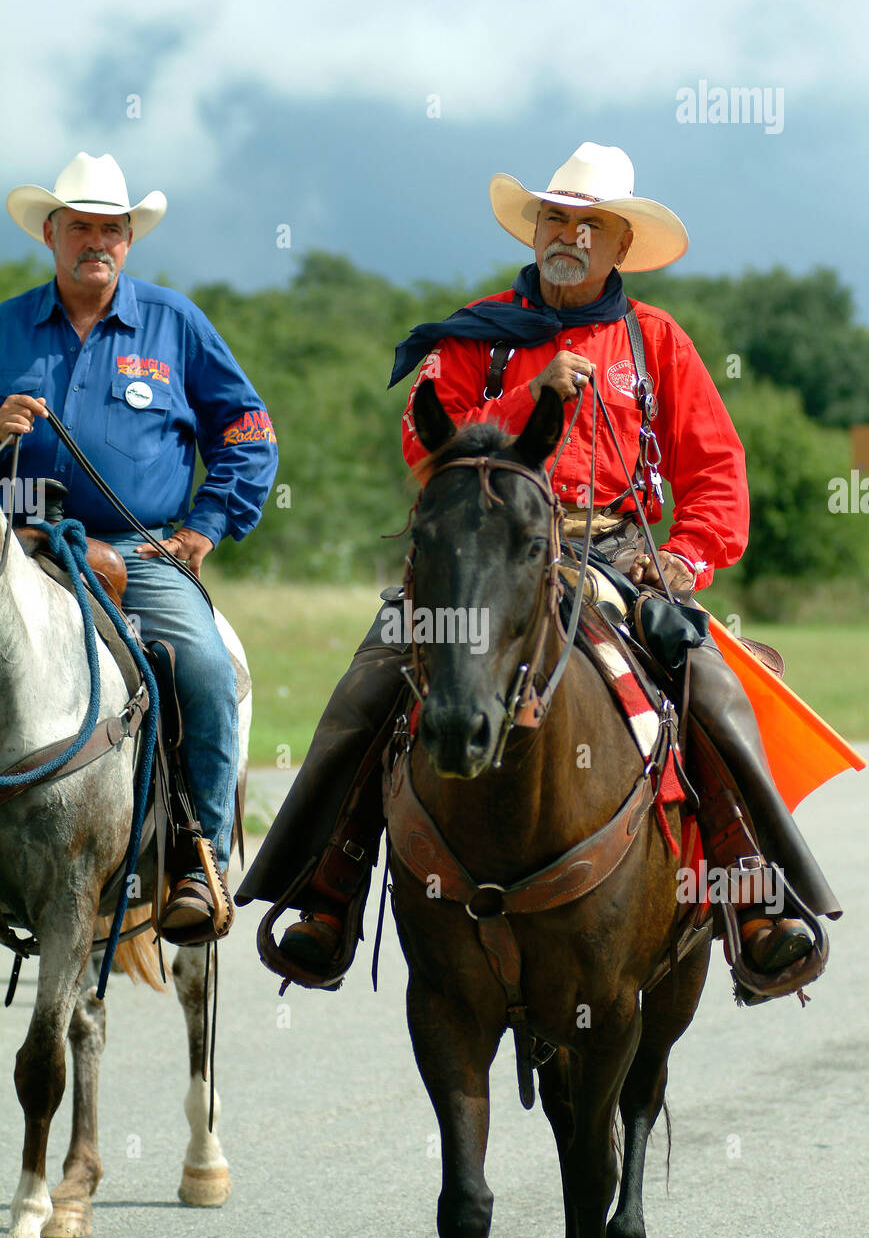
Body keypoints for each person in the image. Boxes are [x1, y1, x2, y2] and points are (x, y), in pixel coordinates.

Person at [238, 141, 839, 999]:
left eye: (588, 223)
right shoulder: (472, 337)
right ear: (535, 231)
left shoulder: (656, 340)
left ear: (618, 245)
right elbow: (424, 444)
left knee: (710, 686)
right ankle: (326, 892)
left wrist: (679, 559)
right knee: (372, 678)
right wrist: (530, 396)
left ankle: (754, 898)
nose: (568, 234)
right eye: (555, 217)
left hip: (614, 556)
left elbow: (718, 477)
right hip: (485, 558)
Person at [0, 151, 278, 942]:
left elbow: (248, 433)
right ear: (50, 233)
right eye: (80, 226)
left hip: (140, 551)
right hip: (15, 542)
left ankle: (200, 859)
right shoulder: (5, 327)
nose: (96, 240)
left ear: (129, 240)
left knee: (204, 665)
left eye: (111, 229)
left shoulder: (175, 322)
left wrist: (205, 528)